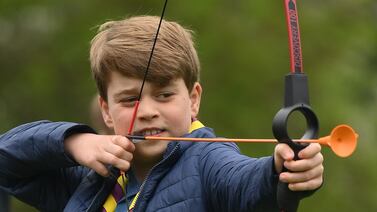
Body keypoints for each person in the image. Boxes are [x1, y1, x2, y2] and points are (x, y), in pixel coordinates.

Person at [0, 16, 323, 211]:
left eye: (165, 95)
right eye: (130, 100)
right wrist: (74, 142)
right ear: (106, 110)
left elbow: (248, 185)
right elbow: (7, 162)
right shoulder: (89, 179)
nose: (148, 112)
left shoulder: (209, 161)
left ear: (193, 99)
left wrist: (284, 170)